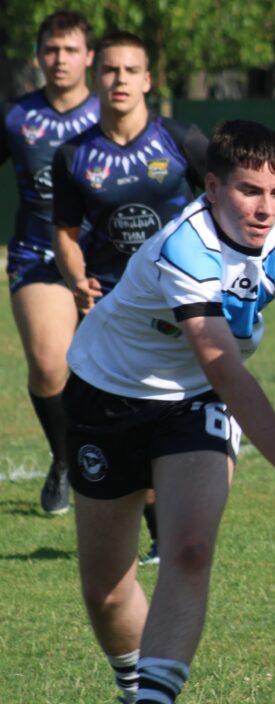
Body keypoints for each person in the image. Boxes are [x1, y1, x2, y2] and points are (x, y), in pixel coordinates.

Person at [64, 120, 275, 703]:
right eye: (249, 191)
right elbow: (224, 366)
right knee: (107, 590)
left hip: (195, 403)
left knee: (189, 551)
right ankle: (132, 683)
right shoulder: (185, 245)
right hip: (107, 396)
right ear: (212, 187)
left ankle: (153, 698)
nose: (265, 208)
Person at [52, 30, 208, 562]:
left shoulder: (181, 141)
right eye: (110, 70)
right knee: (117, 418)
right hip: (109, 309)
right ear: (97, 77)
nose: (119, 79)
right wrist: (77, 279)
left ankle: (168, 533)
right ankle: (152, 528)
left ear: (147, 80)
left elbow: (225, 199)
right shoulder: (73, 155)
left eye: (130, 70)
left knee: (166, 411)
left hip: (176, 304)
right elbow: (65, 234)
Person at [0, 10, 97, 515]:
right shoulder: (15, 117)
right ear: (38, 56)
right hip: (37, 254)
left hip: (108, 259)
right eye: (51, 49)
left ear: (89, 57)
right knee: (47, 365)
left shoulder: (112, 112)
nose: (60, 59)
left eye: (70, 49)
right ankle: (63, 460)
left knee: (111, 375)